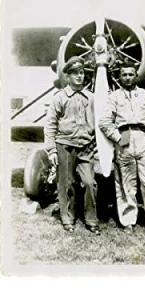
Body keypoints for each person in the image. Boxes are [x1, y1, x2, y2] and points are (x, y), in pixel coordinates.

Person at [99, 66, 145, 235]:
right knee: (125, 183)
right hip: (124, 138)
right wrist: (117, 137)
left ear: (136, 76)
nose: (127, 77)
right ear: (119, 77)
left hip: (142, 137)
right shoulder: (113, 97)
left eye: (130, 74)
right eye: (124, 74)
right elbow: (104, 121)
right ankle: (128, 220)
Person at [44, 56, 100, 234]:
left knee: (90, 182)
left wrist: (97, 143)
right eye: (75, 73)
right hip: (65, 146)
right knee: (67, 183)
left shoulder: (91, 98)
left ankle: (91, 219)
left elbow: (99, 122)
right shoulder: (59, 98)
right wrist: (52, 150)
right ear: (67, 76)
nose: (79, 76)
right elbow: (50, 124)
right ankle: (68, 218)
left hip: (86, 146)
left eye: (81, 72)